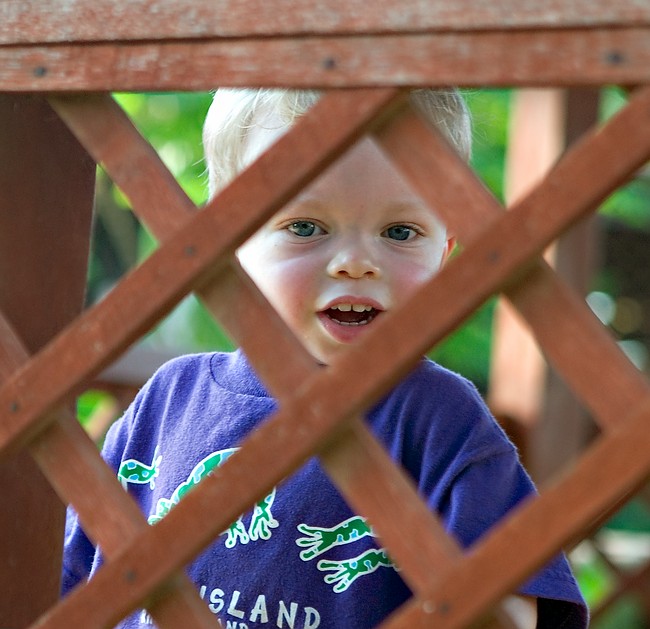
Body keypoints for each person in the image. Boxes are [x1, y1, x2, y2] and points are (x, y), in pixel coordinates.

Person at [62, 88, 588, 628]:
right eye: (306, 227)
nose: (356, 263)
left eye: (400, 232)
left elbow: (513, 611)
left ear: (444, 252)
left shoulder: (440, 420)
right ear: (227, 240)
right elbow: (70, 577)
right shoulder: (170, 396)